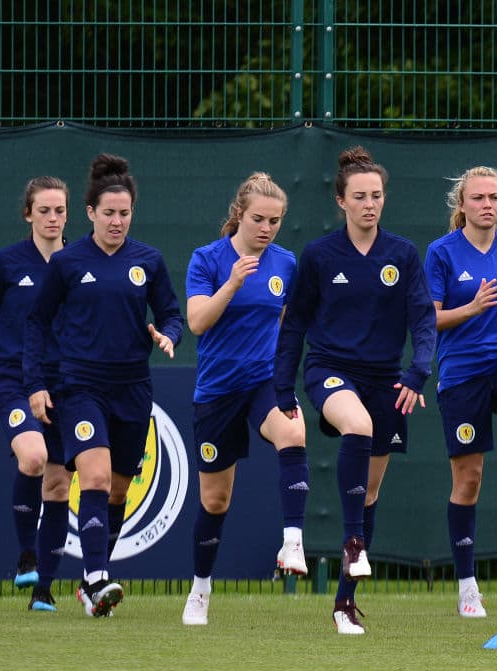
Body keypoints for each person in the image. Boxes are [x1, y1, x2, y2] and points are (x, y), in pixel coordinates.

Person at [274, 146, 435, 635]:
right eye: (360, 196)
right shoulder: (320, 255)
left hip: (386, 378)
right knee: (358, 425)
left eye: (377, 196)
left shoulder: (402, 254)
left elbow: (423, 320)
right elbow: (295, 323)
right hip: (330, 370)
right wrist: (283, 385)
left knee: (370, 493)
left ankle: (344, 603)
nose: (370, 204)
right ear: (341, 201)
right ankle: (352, 542)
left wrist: (417, 372)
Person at [24, 154, 184, 617]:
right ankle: (97, 581)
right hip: (80, 386)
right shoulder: (68, 262)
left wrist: (167, 335)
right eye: (108, 213)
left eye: (125, 213)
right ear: (90, 213)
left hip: (133, 388)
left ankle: (93, 579)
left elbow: (171, 314)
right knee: (91, 477)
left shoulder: (148, 261)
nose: (117, 221)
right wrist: (35, 383)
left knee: (117, 491)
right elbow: (37, 322)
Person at [180, 173, 309, 626]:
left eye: (275, 220)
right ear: (240, 214)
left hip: (263, 382)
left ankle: (292, 540)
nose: (267, 228)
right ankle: (200, 590)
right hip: (217, 392)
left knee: (294, 430)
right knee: (215, 501)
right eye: (258, 218)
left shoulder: (286, 263)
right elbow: (196, 322)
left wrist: (284, 373)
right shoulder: (208, 259)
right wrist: (232, 283)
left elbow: (290, 323)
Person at [424, 166, 497, 618]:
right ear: (462, 204)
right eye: (479, 198)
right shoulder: (441, 252)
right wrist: (469, 308)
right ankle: (468, 586)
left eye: (494, 198)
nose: (488, 205)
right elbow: (428, 320)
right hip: (461, 372)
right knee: (468, 482)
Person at [0, 177, 73, 612]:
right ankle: (27, 552)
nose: (52, 218)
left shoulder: (81, 263)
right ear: (28, 214)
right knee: (33, 457)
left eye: (59, 210)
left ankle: (42, 590)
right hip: (13, 380)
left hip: (66, 383)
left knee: (59, 486)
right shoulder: (7, 262)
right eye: (43, 210)